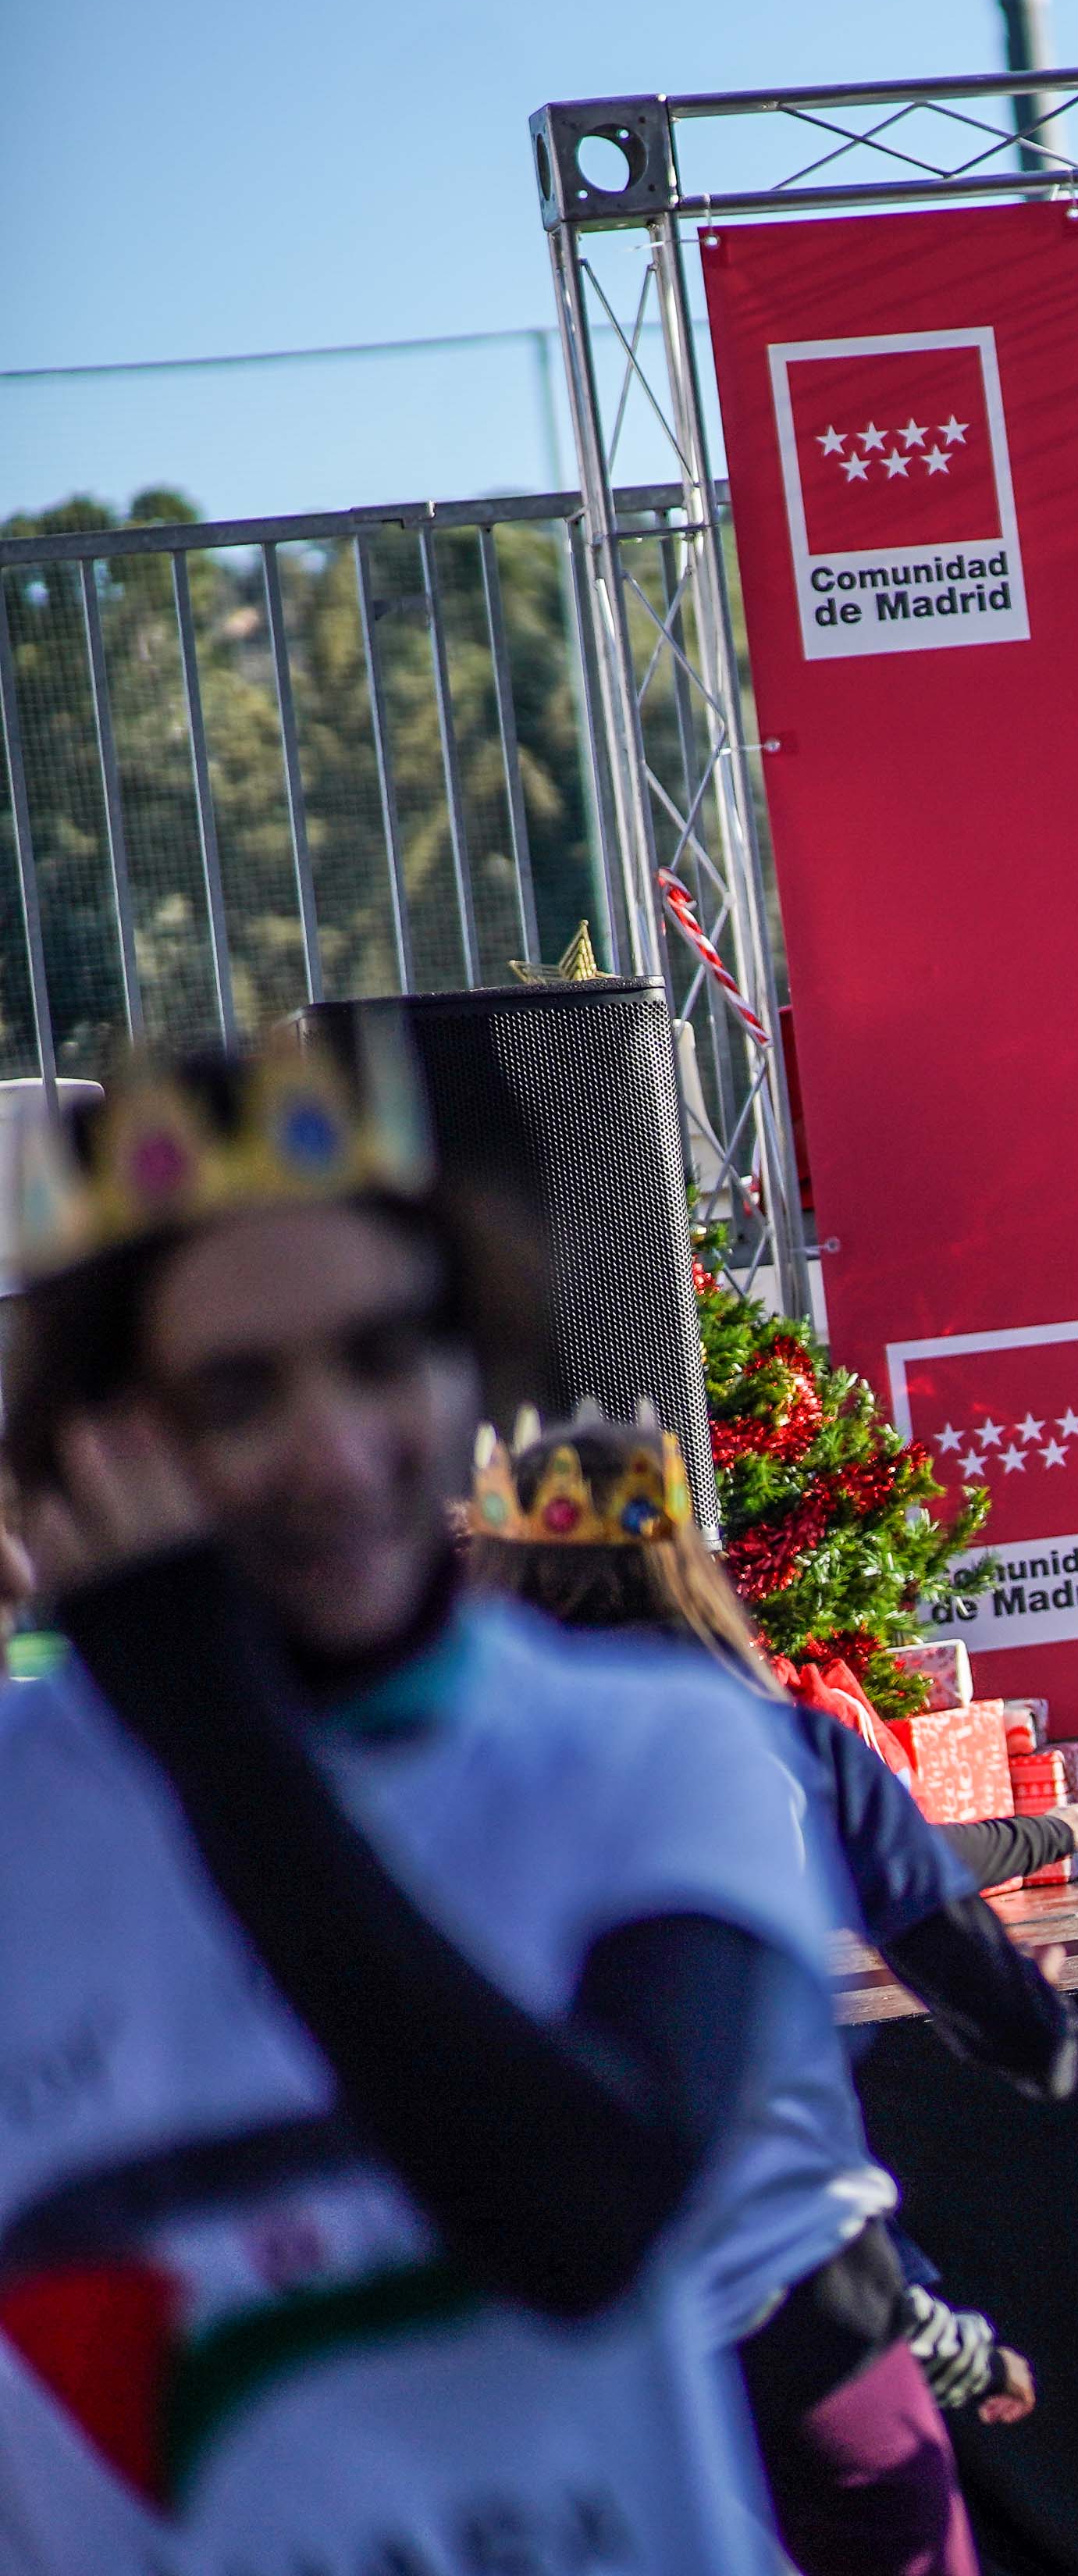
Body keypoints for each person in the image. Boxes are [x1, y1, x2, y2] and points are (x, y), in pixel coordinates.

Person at [0, 1020, 822, 2574]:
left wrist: (211, 1723)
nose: (337, 1445)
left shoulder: (649, 1748)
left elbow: (582, 2222)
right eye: (238, 1393)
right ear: (107, 1441)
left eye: (383, 1353)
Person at [464, 1413, 1078, 2576]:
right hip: (795, 2303)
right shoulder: (783, 1752)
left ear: (495, 1568)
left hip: (551, 2336)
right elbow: (1007, 2023)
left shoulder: (433, 1786)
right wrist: (1033, 2018)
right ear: (679, 1556)